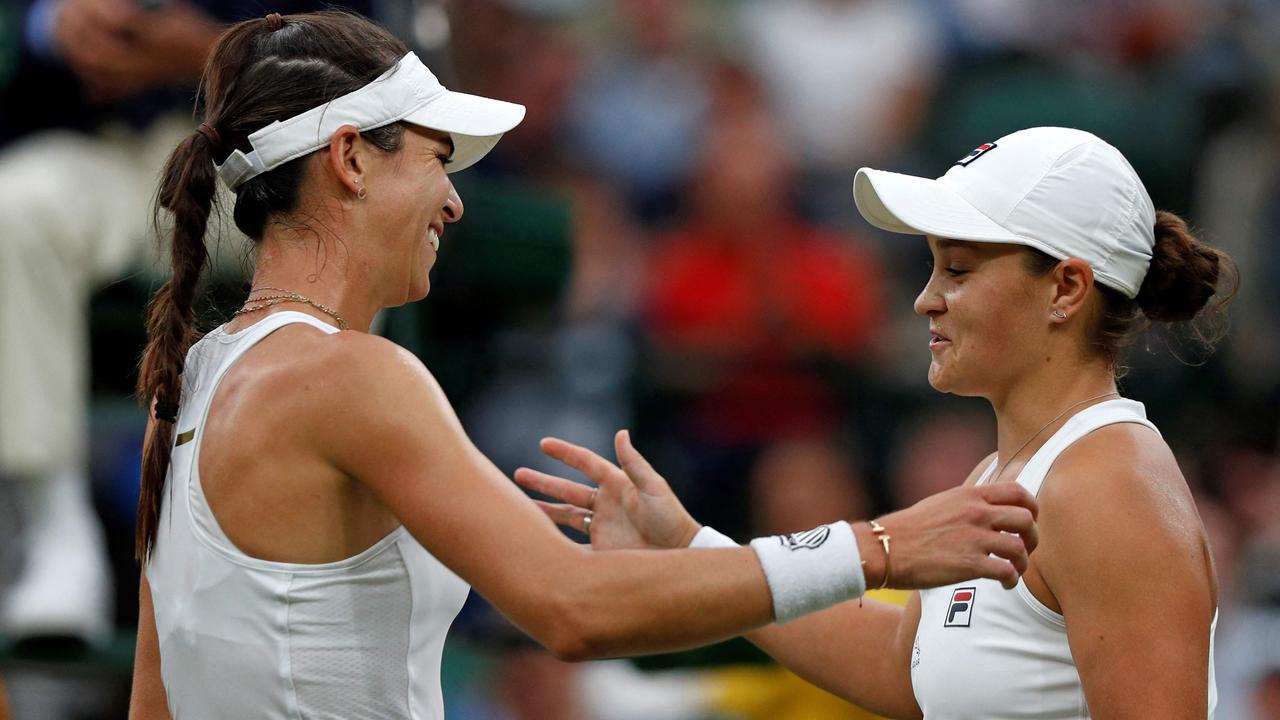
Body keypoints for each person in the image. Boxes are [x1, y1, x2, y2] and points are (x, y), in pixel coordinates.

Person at [125, 11, 1043, 719]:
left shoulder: (198, 375)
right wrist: (876, 547)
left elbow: (152, 704)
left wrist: (684, 552)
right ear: (351, 161)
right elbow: (572, 607)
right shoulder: (352, 376)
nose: (452, 202)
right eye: (439, 161)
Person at [520, 126, 1229, 718]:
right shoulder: (1007, 473)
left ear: (1066, 289)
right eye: (932, 269)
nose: (926, 300)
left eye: (958, 269)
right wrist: (689, 546)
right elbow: (903, 664)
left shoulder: (1111, 487)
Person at [0, 0, 370, 644]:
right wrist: (54, 23)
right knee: (12, 213)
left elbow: (368, 55)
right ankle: (54, 536)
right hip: (95, 148)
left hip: (264, 159)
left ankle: (326, 530)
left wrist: (220, 53)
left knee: (347, 204)